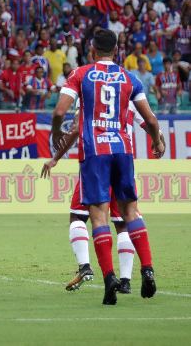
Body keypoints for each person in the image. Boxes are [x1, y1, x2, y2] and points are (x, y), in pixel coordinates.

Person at [52, 28, 163, 305]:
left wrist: (55, 135)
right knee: (130, 213)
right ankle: (147, 269)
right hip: (123, 150)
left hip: (95, 153)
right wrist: (157, 141)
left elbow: (59, 112)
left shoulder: (80, 74)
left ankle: (110, 277)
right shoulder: (129, 78)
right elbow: (149, 119)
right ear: (116, 51)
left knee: (98, 217)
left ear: (92, 50)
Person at [43, 101, 163, 294]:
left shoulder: (91, 90)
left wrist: (56, 157)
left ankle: (87, 267)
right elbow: (151, 122)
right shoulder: (130, 93)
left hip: (96, 162)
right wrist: (159, 141)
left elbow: (75, 129)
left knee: (79, 217)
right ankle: (127, 280)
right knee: (124, 223)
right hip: (123, 160)